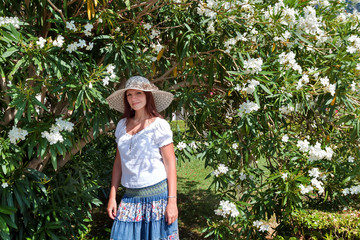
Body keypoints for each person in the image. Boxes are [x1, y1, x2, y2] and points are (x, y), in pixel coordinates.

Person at [106, 76, 179, 240]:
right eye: (129, 95)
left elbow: (170, 164)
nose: (133, 99)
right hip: (130, 198)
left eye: (138, 93)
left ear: (148, 95)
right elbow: (118, 163)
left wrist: (172, 202)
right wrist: (112, 197)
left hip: (157, 199)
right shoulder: (121, 125)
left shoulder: (159, 125)